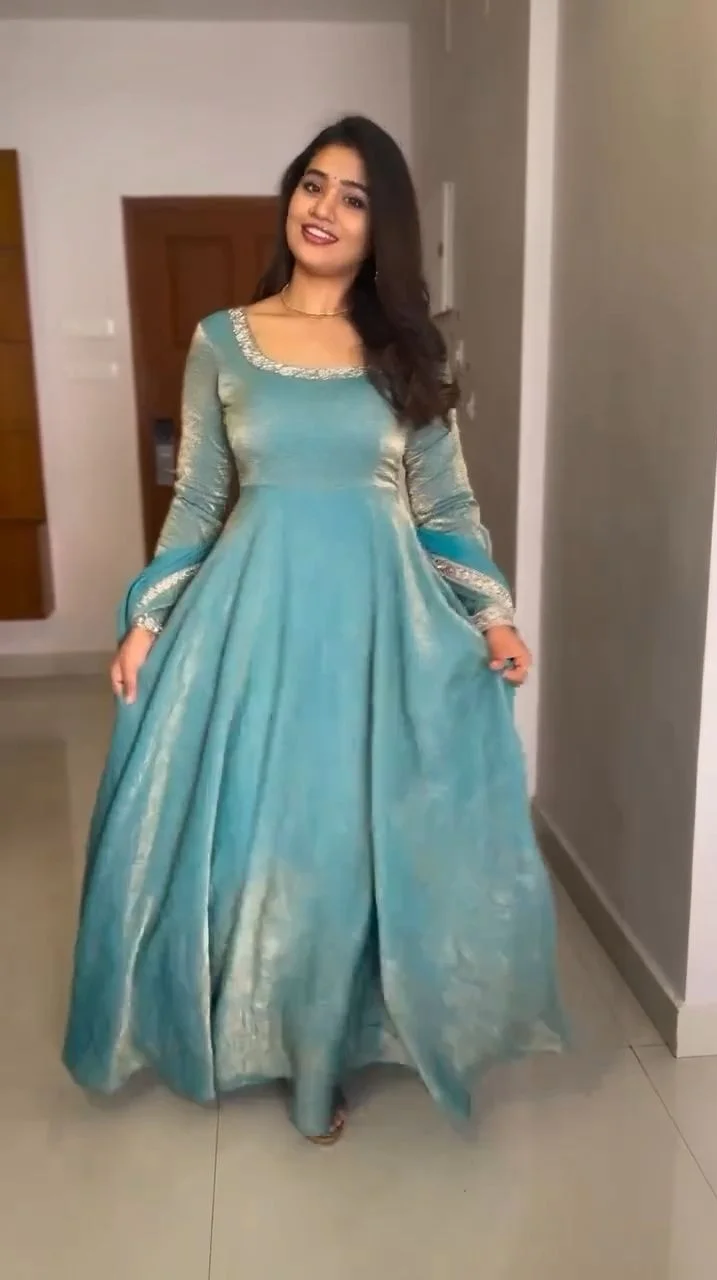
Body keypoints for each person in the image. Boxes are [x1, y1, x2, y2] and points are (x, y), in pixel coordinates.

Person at [63, 116, 564, 1144]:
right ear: (290, 197)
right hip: (250, 625)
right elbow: (198, 499)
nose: (324, 209)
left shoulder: (406, 354)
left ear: (384, 229)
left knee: (346, 844)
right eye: (313, 185)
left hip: (376, 633)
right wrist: (147, 621)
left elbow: (444, 505)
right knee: (262, 835)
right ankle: (253, 1023)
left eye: (354, 197)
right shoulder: (222, 340)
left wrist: (493, 615)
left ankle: (323, 1053)